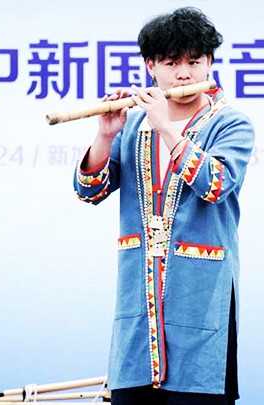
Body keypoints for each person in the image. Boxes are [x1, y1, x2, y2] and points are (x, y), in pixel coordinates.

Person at [73, 7, 254, 405]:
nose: (184, 74)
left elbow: (215, 185)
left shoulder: (231, 124)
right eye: (172, 63)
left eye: (194, 62)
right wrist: (105, 136)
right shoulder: (133, 126)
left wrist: (165, 127)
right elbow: (89, 190)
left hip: (201, 292)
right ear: (151, 67)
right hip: (138, 302)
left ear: (210, 63)